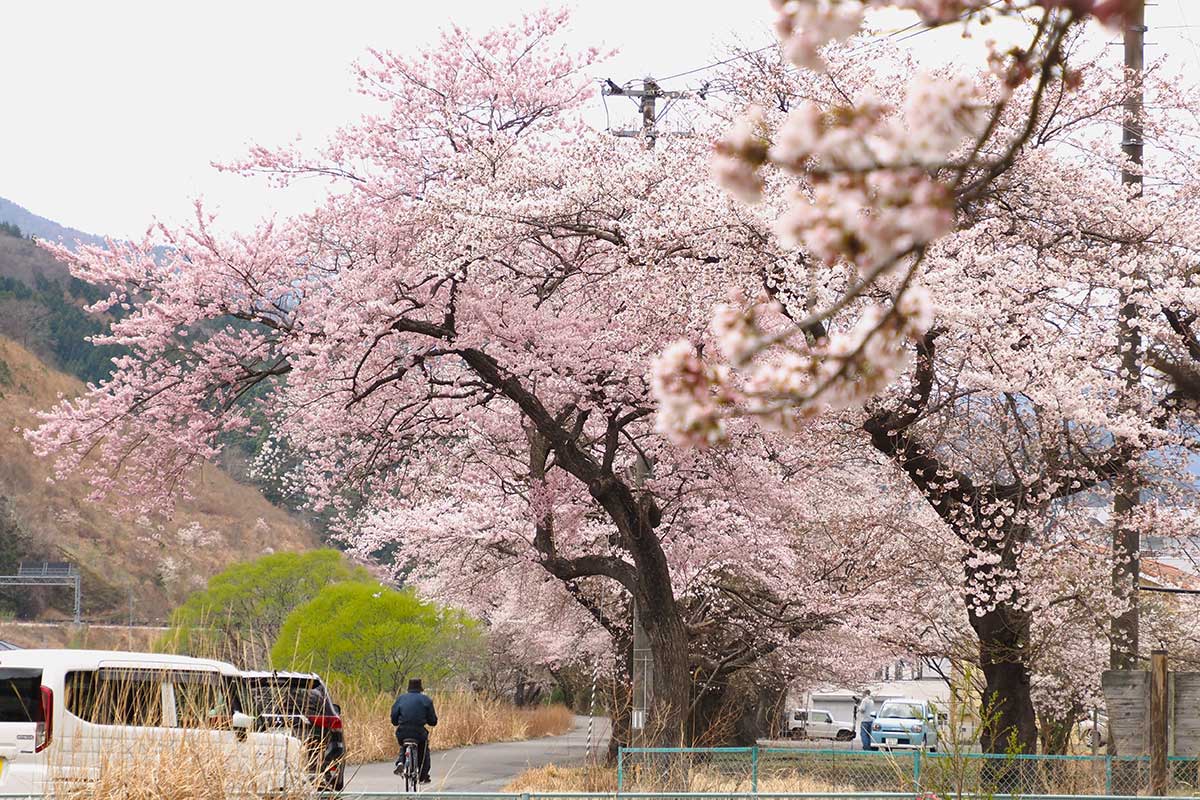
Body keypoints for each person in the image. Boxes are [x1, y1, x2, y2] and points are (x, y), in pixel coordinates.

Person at [391, 678, 438, 782]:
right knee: (423, 750)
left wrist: (397, 722)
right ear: (420, 688)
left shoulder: (401, 699)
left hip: (403, 731)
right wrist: (430, 721)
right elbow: (433, 721)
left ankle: (400, 762)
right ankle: (422, 776)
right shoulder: (426, 700)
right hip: (419, 732)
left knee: (403, 744)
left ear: (408, 688)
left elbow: (394, 717)